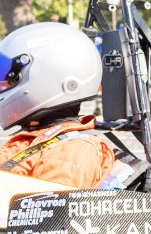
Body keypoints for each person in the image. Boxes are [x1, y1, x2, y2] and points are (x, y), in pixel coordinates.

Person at [0, 23, 121, 188]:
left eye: (11, 78)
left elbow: (49, 209)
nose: (4, 84)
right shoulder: (41, 139)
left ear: (46, 75)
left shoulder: (72, 150)